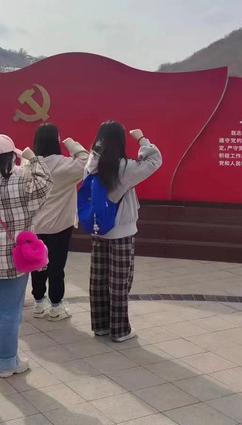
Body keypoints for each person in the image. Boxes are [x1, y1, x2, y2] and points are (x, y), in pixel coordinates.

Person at [0, 134, 52, 378]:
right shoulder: (20, 183)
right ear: (9, 158)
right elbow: (46, 182)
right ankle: (7, 363)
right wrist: (32, 158)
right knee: (10, 312)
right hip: (14, 260)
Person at [88, 122, 162, 343]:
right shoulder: (125, 167)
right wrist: (141, 139)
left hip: (98, 227)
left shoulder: (92, 164)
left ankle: (101, 326)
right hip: (121, 231)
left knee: (98, 279)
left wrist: (97, 148)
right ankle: (120, 330)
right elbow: (154, 160)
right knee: (119, 282)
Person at [30, 124, 89, 321]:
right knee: (56, 267)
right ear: (56, 141)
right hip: (59, 226)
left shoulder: (31, 166)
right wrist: (71, 143)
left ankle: (38, 303)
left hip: (35, 226)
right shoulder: (66, 166)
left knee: (37, 265)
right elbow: (87, 160)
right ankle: (56, 307)